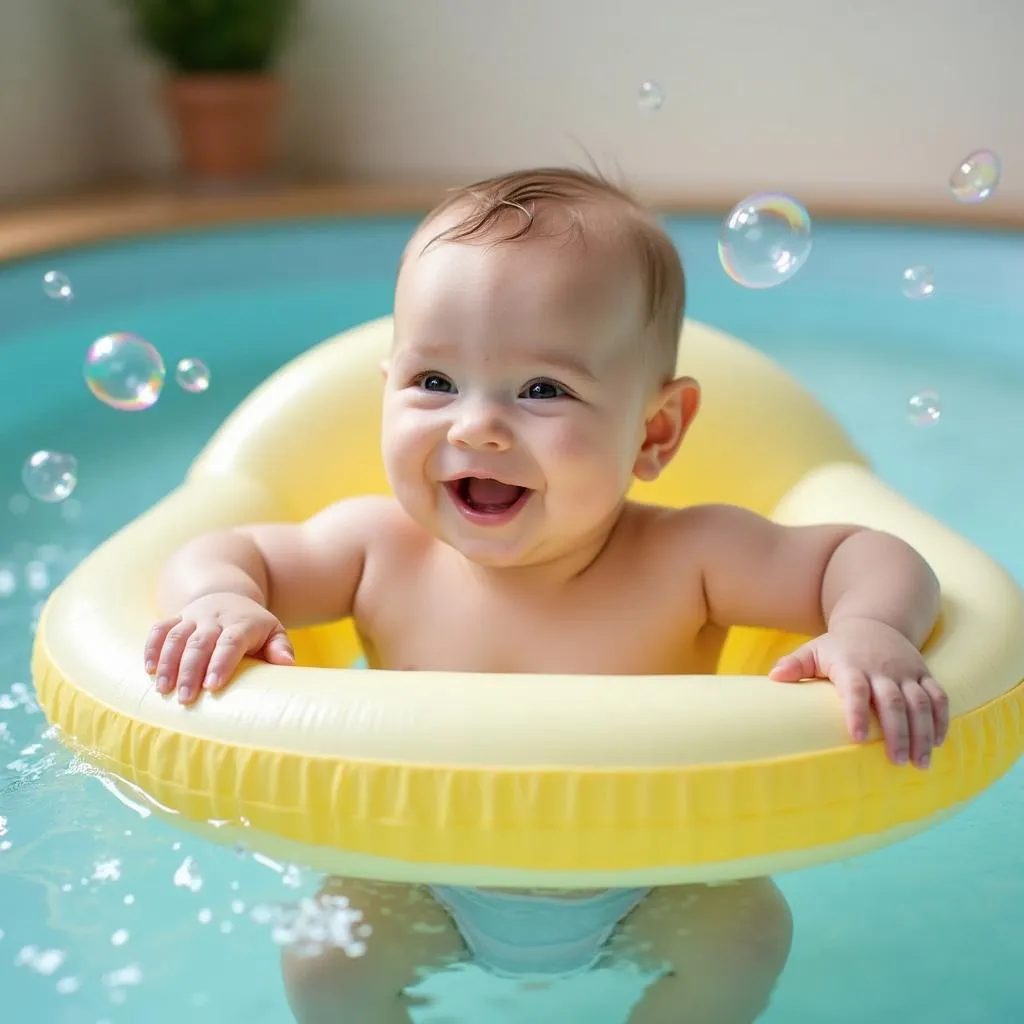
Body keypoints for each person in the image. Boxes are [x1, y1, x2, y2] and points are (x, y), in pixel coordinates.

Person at [145, 167, 946, 1023]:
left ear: (655, 430)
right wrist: (222, 599)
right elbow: (222, 552)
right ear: (386, 390)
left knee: (746, 932)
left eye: (542, 390)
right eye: (434, 382)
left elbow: (873, 556)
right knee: (321, 949)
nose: (475, 425)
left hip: (657, 876)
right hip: (419, 871)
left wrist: (866, 626)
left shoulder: (690, 556)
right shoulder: (374, 549)